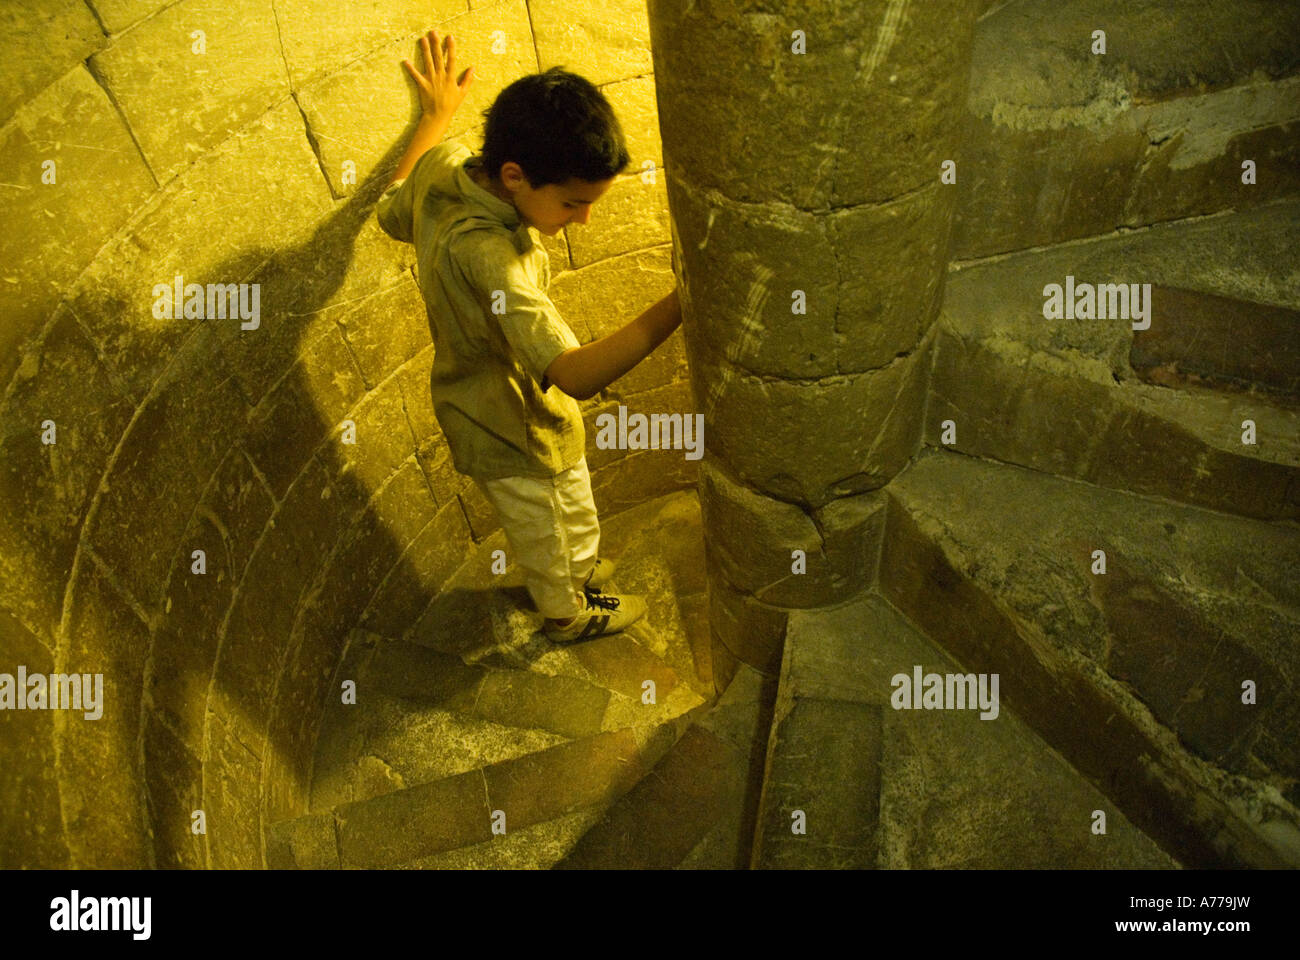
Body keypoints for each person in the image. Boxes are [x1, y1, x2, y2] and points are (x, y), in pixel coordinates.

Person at [376, 30, 683, 642]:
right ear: (514, 176)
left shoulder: (448, 164)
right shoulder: (493, 257)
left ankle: (581, 567)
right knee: (543, 524)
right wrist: (684, 302)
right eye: (573, 204)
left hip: (509, 408)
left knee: (570, 504)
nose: (583, 220)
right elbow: (573, 375)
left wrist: (434, 119)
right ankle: (565, 613)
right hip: (510, 423)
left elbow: (392, 205)